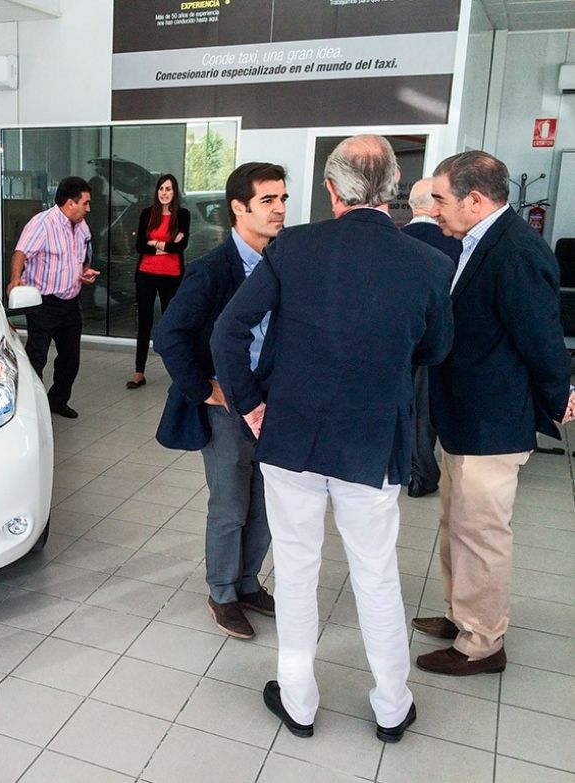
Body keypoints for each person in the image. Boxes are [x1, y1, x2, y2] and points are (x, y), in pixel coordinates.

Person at [211, 135, 453, 742]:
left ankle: (298, 703)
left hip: (291, 437)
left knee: (295, 571)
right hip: (372, 443)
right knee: (376, 574)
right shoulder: (428, 262)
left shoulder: (293, 247)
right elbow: (437, 348)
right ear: (394, 189)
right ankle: (392, 707)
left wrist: (250, 406)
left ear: (330, 189)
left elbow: (229, 330)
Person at [414, 151, 575, 676]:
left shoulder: (516, 252)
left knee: (481, 531)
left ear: (475, 200)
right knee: (456, 523)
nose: (434, 209)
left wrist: (559, 397)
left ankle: (482, 643)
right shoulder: (474, 242)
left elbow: (541, 339)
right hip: (464, 413)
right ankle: (462, 614)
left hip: (492, 420)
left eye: (440, 199)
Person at [153, 162, 287, 640]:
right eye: (268, 200)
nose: (279, 209)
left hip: (273, 404)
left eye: (283, 199)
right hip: (227, 406)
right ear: (239, 207)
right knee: (230, 504)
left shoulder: (284, 263)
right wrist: (205, 389)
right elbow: (169, 334)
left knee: (268, 504)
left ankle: (248, 582)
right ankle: (222, 593)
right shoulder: (212, 270)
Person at [7, 176, 100, 419]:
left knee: (71, 359)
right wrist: (16, 278)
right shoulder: (42, 224)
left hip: (70, 303)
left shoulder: (82, 227)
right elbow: (20, 253)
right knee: (37, 356)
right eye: (86, 203)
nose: (89, 209)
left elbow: (83, 258)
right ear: (71, 202)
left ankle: (56, 401)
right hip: (44, 304)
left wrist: (85, 272)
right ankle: (29, 409)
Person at [402, 178, 463, 498]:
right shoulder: (460, 243)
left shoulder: (395, 240)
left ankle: (417, 469)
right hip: (451, 338)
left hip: (405, 340)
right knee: (438, 405)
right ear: (436, 205)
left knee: (414, 408)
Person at [128, 174, 191, 389]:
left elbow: (180, 247)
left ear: (175, 193)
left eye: (169, 189)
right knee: (144, 323)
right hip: (146, 274)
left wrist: (154, 243)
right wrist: (165, 245)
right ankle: (139, 372)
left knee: (170, 325)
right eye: (161, 188)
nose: (164, 193)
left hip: (171, 276)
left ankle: (177, 373)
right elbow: (139, 246)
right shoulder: (148, 214)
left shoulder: (183, 215)